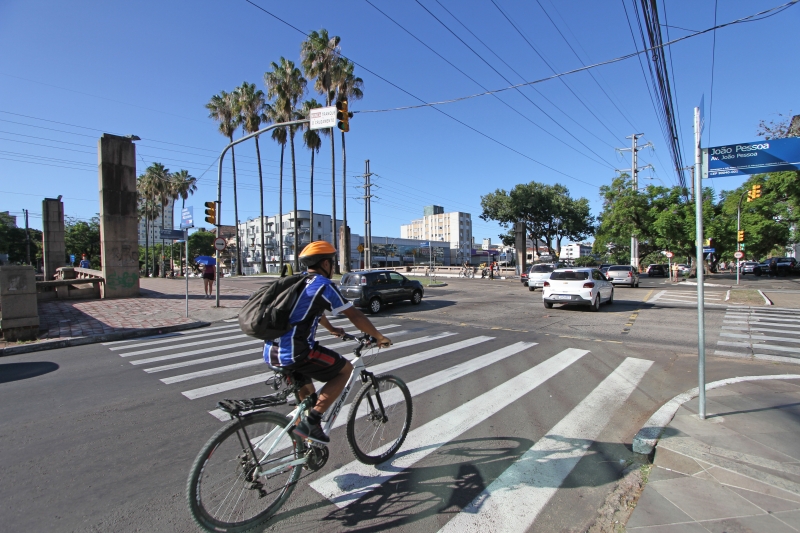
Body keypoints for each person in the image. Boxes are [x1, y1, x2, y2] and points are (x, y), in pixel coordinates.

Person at [264, 241, 392, 444]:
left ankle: (303, 446)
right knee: (345, 370)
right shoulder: (322, 285)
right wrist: (378, 336)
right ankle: (312, 423)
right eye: (332, 262)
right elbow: (354, 314)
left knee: (309, 400)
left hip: (272, 351)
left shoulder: (298, 281)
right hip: (296, 352)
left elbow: (312, 311)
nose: (333, 267)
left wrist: (332, 329)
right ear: (325, 264)